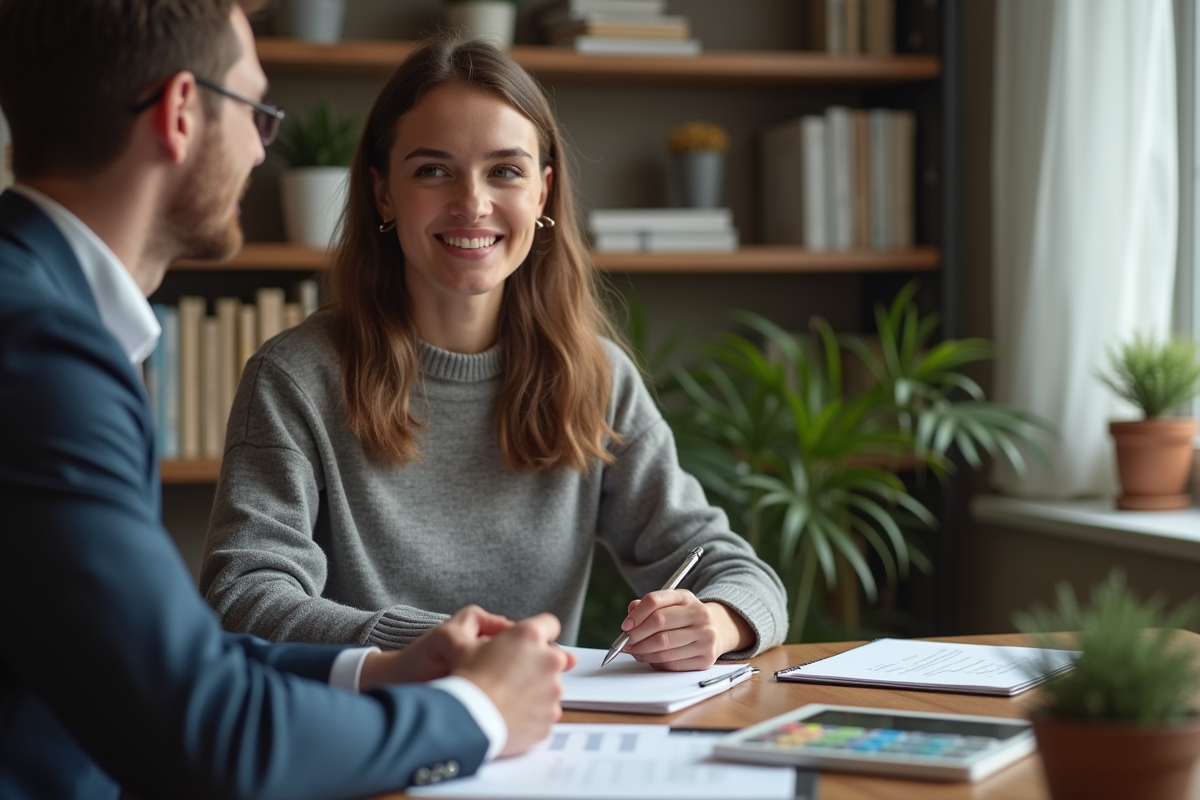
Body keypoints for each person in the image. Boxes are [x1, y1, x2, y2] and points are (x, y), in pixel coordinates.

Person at [0, 3, 575, 799]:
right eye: (255, 111)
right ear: (179, 115)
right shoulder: (42, 352)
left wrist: (382, 669)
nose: (259, 148)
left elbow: (166, 661)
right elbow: (207, 730)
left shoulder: (42, 318)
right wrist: (474, 713)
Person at [200, 34, 789, 671]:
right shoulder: (294, 377)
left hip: (543, 741)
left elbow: (736, 570)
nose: (472, 203)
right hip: (360, 737)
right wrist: (428, 647)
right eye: (433, 170)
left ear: (542, 192)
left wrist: (718, 621)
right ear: (383, 193)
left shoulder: (596, 379)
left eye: (505, 171)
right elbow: (244, 597)